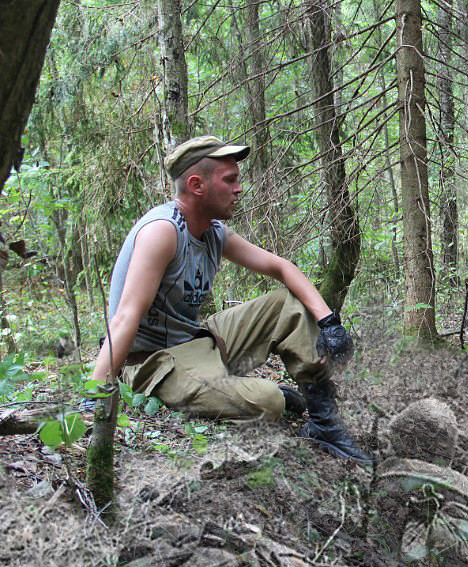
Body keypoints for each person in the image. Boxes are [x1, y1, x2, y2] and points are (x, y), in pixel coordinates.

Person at [90, 135, 373, 464]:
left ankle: (325, 423)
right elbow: (124, 318)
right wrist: (92, 396)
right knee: (269, 402)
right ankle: (268, 395)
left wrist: (329, 322)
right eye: (230, 180)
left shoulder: (213, 231)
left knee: (287, 303)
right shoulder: (162, 232)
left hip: (195, 343)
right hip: (151, 364)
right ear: (197, 185)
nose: (239, 188)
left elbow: (280, 267)